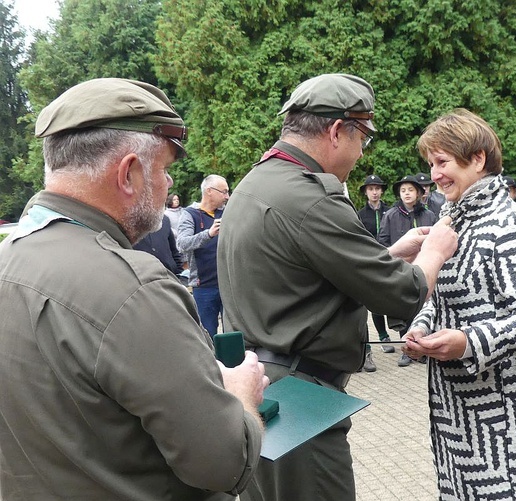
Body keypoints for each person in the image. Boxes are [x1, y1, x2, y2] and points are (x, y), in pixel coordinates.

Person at [0, 78, 268, 500]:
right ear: (129, 173)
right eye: (163, 170)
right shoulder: (135, 288)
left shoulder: (8, 258)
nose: (165, 186)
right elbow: (225, 463)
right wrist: (241, 395)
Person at [216, 73, 458, 501]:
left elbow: (306, 275)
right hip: (298, 403)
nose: (362, 153)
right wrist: (434, 250)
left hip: (261, 388)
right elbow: (402, 294)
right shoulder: (311, 198)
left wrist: (389, 253)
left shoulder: (258, 181)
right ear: (335, 131)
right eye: (362, 137)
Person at [403, 108, 516, 500]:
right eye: (430, 164)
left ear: (477, 159)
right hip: (454, 409)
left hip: (502, 413)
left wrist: (468, 342)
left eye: (442, 162)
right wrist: (422, 325)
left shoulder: (509, 221)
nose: (434, 175)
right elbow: (439, 295)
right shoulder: (450, 218)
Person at [378, 174, 438, 366]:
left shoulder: (428, 214)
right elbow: (383, 241)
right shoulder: (391, 215)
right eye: (403, 190)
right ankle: (408, 349)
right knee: (405, 309)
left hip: (426, 267)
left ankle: (424, 348)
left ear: (419, 192)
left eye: (410, 190)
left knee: (425, 306)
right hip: (402, 268)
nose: (406, 194)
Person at [177, 175, 230, 337]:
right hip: (204, 286)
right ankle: (213, 363)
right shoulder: (189, 214)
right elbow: (182, 244)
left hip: (228, 285)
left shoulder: (227, 212)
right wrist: (209, 234)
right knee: (208, 334)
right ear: (209, 191)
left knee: (233, 334)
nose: (227, 196)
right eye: (224, 192)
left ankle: (234, 362)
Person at [357, 174, 396, 367]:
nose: (374, 192)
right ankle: (382, 335)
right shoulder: (360, 214)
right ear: (365, 192)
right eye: (370, 188)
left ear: (381, 191)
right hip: (368, 261)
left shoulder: (390, 212)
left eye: (377, 188)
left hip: (389, 258)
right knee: (373, 300)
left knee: (389, 297)